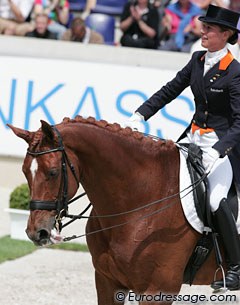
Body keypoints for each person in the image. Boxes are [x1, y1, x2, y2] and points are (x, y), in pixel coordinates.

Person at [126, 4, 240, 291]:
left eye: (210, 28)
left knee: (215, 200)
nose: (202, 31)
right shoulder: (198, 60)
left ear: (225, 34)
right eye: (203, 26)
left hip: (220, 147)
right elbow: (170, 89)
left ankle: (236, 266)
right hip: (192, 139)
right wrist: (140, 114)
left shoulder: (235, 72)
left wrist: (220, 149)